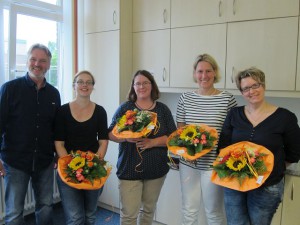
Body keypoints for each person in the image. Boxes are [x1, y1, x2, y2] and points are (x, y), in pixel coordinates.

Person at [218, 67, 300, 225]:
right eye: (246, 88)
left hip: (267, 186)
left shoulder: (285, 117)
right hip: (234, 182)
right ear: (241, 92)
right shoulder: (234, 114)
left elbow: (294, 152)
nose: (252, 91)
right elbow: (223, 147)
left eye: (255, 85)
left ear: (263, 85)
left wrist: (271, 167)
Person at [0, 43, 61, 225]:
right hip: (15, 161)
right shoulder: (10, 89)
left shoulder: (54, 94)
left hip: (44, 160)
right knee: (14, 212)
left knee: (45, 207)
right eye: (33, 59)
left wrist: (58, 154)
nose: (37, 64)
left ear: (49, 65)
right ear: (27, 62)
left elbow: (56, 128)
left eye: (42, 61)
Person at [108, 70, 176, 225]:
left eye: (145, 82)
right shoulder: (125, 108)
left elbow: (173, 137)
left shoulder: (163, 110)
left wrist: (153, 142)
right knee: (129, 215)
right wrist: (126, 137)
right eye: (138, 83)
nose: (141, 86)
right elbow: (110, 134)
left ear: (152, 85)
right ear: (133, 87)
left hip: (156, 169)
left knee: (148, 211)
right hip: (129, 169)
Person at [176, 53, 237, 225]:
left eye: (208, 71)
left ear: (215, 72)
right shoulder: (185, 98)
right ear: (195, 73)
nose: (204, 76)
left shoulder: (227, 99)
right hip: (189, 164)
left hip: (214, 165)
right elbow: (180, 132)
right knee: (189, 210)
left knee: (214, 212)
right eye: (200, 71)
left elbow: (232, 134)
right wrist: (188, 153)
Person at [54, 70, 109, 225]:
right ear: (74, 85)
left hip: (93, 169)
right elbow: (59, 143)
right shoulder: (62, 111)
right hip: (68, 170)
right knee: (75, 218)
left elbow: (103, 141)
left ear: (92, 87)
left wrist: (94, 164)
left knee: (90, 215)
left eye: (88, 82)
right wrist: (71, 167)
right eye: (80, 82)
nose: (84, 85)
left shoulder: (100, 111)